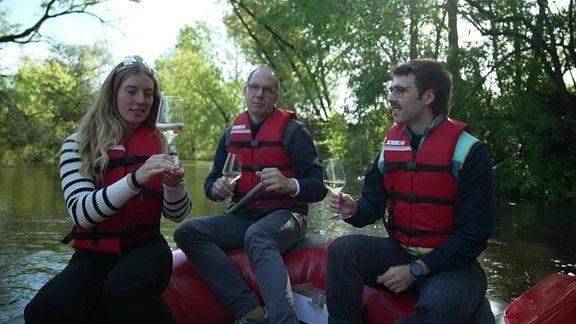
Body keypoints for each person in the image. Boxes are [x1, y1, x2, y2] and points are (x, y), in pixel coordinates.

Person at [24, 55, 192, 323]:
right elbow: (82, 214)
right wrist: (136, 178)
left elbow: (177, 214)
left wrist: (175, 185)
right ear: (112, 93)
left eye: (148, 94)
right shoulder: (77, 144)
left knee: (123, 289)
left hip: (147, 248)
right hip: (94, 254)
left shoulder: (162, 143)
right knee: (42, 309)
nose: (141, 100)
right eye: (131, 91)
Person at [325, 58, 495, 323]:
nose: (391, 98)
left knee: (437, 310)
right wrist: (354, 209)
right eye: (391, 90)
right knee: (341, 251)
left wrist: (416, 269)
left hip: (453, 267)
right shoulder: (390, 145)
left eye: (400, 91)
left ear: (428, 96)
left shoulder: (470, 151)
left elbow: (474, 235)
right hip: (400, 253)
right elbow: (372, 204)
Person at [173, 66, 327, 324]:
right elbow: (211, 182)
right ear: (245, 92)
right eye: (254, 88)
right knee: (186, 232)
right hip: (244, 216)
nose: (259, 95)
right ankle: (250, 310)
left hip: (288, 216)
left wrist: (290, 184)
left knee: (257, 235)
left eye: (267, 90)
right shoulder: (231, 133)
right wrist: (217, 188)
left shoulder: (294, 133)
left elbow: (318, 187)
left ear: (276, 97)